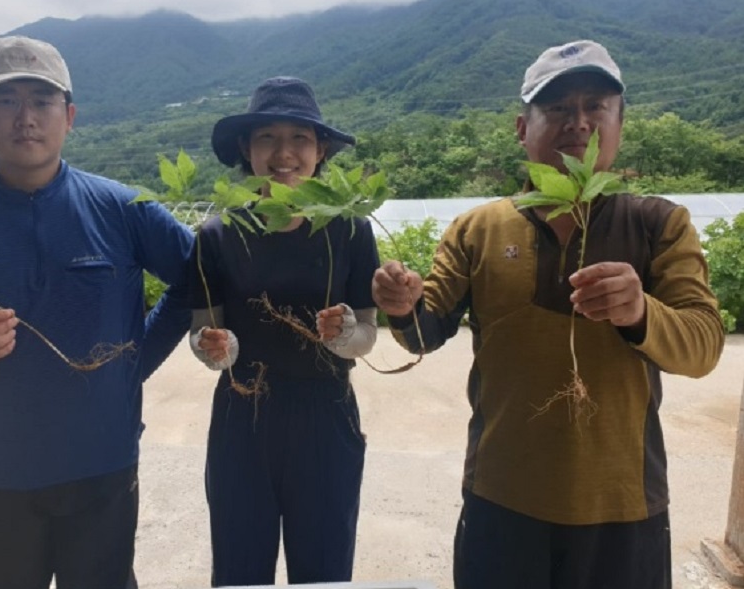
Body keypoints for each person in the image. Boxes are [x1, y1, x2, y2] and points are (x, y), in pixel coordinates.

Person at [372, 40, 725, 589]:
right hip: (501, 497)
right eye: (557, 107)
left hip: (623, 505)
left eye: (595, 107)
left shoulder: (659, 224)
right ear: (522, 128)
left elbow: (702, 346)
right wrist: (403, 305)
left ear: (619, 124)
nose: (577, 121)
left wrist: (641, 311)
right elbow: (425, 331)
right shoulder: (478, 229)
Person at [0, 36, 194, 589]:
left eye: (42, 101)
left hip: (102, 467)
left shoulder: (124, 210)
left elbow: (199, 282)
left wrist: (134, 361)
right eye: (5, 101)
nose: (25, 118)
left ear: (69, 116)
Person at [190, 76, 380, 586]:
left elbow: (367, 333)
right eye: (267, 138)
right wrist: (216, 348)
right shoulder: (217, 235)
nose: (284, 153)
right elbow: (203, 335)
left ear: (321, 151)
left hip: (326, 412)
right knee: (240, 570)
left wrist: (344, 335)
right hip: (242, 413)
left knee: (324, 572)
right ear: (245, 149)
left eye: (299, 137)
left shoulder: (350, 230)